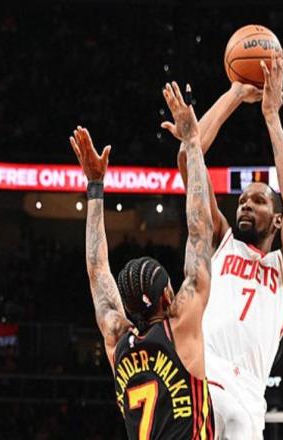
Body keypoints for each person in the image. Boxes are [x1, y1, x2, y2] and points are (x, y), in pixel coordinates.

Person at [165, 56, 283, 438]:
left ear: (276, 221)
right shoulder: (221, 240)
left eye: (258, 201)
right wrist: (235, 93)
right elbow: (188, 158)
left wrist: (272, 117)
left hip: (249, 400)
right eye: (243, 199)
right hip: (205, 375)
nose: (245, 204)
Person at [69, 81, 215, 439]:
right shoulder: (180, 328)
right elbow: (200, 230)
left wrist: (95, 188)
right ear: (168, 295)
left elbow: (97, 270)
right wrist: (192, 141)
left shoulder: (117, 340)